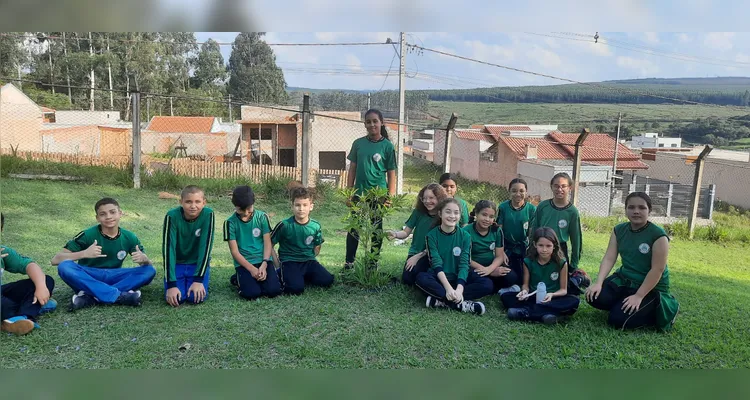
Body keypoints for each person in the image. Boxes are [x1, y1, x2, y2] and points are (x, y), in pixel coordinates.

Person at [585, 192, 679, 331]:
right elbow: (609, 257)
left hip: (650, 288)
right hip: (625, 279)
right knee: (593, 297)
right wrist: (598, 283)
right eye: (631, 207)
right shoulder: (619, 230)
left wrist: (639, 296)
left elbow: (657, 270)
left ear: (649, 210)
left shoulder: (658, 236)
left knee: (617, 320)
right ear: (626, 210)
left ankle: (659, 309)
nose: (636, 211)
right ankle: (626, 304)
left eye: (642, 208)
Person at [52, 198, 156, 310]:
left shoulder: (129, 237)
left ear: (120, 214)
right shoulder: (87, 235)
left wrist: (145, 259)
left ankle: (91, 297)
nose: (108, 217)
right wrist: (84, 253)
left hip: (115, 276)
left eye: (112, 212)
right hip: (89, 276)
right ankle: (118, 296)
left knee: (149, 270)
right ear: (97, 218)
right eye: (103, 214)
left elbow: (145, 265)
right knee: (64, 266)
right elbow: (56, 260)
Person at [415, 199, 493, 315]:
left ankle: (441, 300)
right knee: (421, 278)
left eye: (456, 213)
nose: (452, 216)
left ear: (460, 215)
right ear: (440, 214)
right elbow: (436, 264)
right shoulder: (431, 236)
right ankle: (460, 304)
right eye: (448, 212)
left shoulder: (465, 236)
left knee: (487, 284)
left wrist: (459, 289)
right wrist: (448, 289)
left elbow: (464, 264)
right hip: (439, 278)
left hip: (458, 279)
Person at [344, 109, 397, 270]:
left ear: (381, 122)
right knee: (354, 228)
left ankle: (372, 263)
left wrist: (390, 196)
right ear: (365, 124)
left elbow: (391, 173)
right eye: (368, 121)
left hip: (378, 196)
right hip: (359, 195)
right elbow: (352, 168)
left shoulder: (387, 146)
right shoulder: (358, 144)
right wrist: (349, 192)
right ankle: (349, 263)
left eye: (375, 121)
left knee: (376, 228)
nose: (372, 124)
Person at [500, 227, 580, 325]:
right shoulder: (528, 261)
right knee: (505, 297)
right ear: (535, 245)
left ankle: (526, 313)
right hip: (534, 296)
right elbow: (526, 285)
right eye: (541, 245)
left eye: (548, 246)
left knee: (574, 301)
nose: (544, 250)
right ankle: (548, 315)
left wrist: (552, 294)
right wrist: (524, 291)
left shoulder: (561, 263)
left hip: (552, 298)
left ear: (554, 246)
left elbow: (563, 290)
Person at [531, 172, 590, 295]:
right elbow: (534, 228)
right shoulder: (543, 206)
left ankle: (578, 277)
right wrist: (532, 248)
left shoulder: (572, 212)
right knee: (538, 282)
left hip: (559, 249)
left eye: (563, 186)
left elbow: (576, 239)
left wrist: (573, 264)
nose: (559, 189)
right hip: (541, 246)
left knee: (565, 289)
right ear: (551, 187)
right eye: (556, 186)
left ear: (570, 188)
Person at [271, 187, 334, 295]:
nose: (301, 209)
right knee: (296, 289)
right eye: (297, 205)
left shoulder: (315, 226)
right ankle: (280, 273)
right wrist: (277, 264)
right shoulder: (284, 225)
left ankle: (299, 276)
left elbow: (317, 246)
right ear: (292, 206)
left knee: (327, 280)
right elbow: (269, 244)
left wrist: (311, 257)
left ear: (311, 207)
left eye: (305, 205)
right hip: (289, 261)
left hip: (308, 261)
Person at [1, 213, 56, 335]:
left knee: (46, 280)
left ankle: (23, 318)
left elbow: (30, 265)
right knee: (6, 304)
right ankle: (25, 310)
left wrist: (41, 287)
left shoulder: (2, 251)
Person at [224, 185, 281, 300]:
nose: (246, 212)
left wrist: (265, 263)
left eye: (249, 208)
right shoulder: (230, 223)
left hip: (263, 260)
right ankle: (238, 278)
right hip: (244, 263)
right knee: (251, 294)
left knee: (273, 291)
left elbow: (267, 243)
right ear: (235, 206)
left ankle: (248, 278)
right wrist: (251, 269)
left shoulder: (262, 217)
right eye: (241, 209)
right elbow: (235, 252)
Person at [162, 185, 215, 307]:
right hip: (177, 264)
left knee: (195, 298)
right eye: (188, 202)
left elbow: (205, 247)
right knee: (177, 299)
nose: (193, 206)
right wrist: (171, 285)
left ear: (204, 203)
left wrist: (198, 280)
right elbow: (168, 249)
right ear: (181, 202)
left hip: (196, 264)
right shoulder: (172, 216)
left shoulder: (208, 215)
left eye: (197, 202)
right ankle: (177, 282)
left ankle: (195, 279)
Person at [386, 183, 447, 286]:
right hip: (416, 251)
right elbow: (406, 232)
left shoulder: (445, 216)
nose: (427, 201)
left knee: (420, 275)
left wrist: (418, 257)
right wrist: (395, 234)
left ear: (440, 198)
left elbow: (440, 244)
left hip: (434, 253)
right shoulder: (418, 212)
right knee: (407, 279)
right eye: (424, 198)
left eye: (431, 198)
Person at [465, 200, 520, 294]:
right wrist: (488, 271)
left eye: (491, 217)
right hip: (473, 268)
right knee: (486, 284)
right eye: (484, 215)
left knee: (511, 276)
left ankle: (492, 287)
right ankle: (491, 287)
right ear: (476, 214)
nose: (487, 219)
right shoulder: (466, 231)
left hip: (490, 267)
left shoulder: (496, 230)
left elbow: (499, 256)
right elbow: (466, 259)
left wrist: (490, 268)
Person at [497, 178, 536, 281]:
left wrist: (530, 250)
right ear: (509, 191)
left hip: (523, 248)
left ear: (526, 192)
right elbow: (498, 231)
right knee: (509, 277)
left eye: (521, 191)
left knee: (525, 277)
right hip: (506, 248)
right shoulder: (503, 207)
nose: (518, 194)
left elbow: (532, 233)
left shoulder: (531, 209)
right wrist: (501, 252)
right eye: (514, 191)